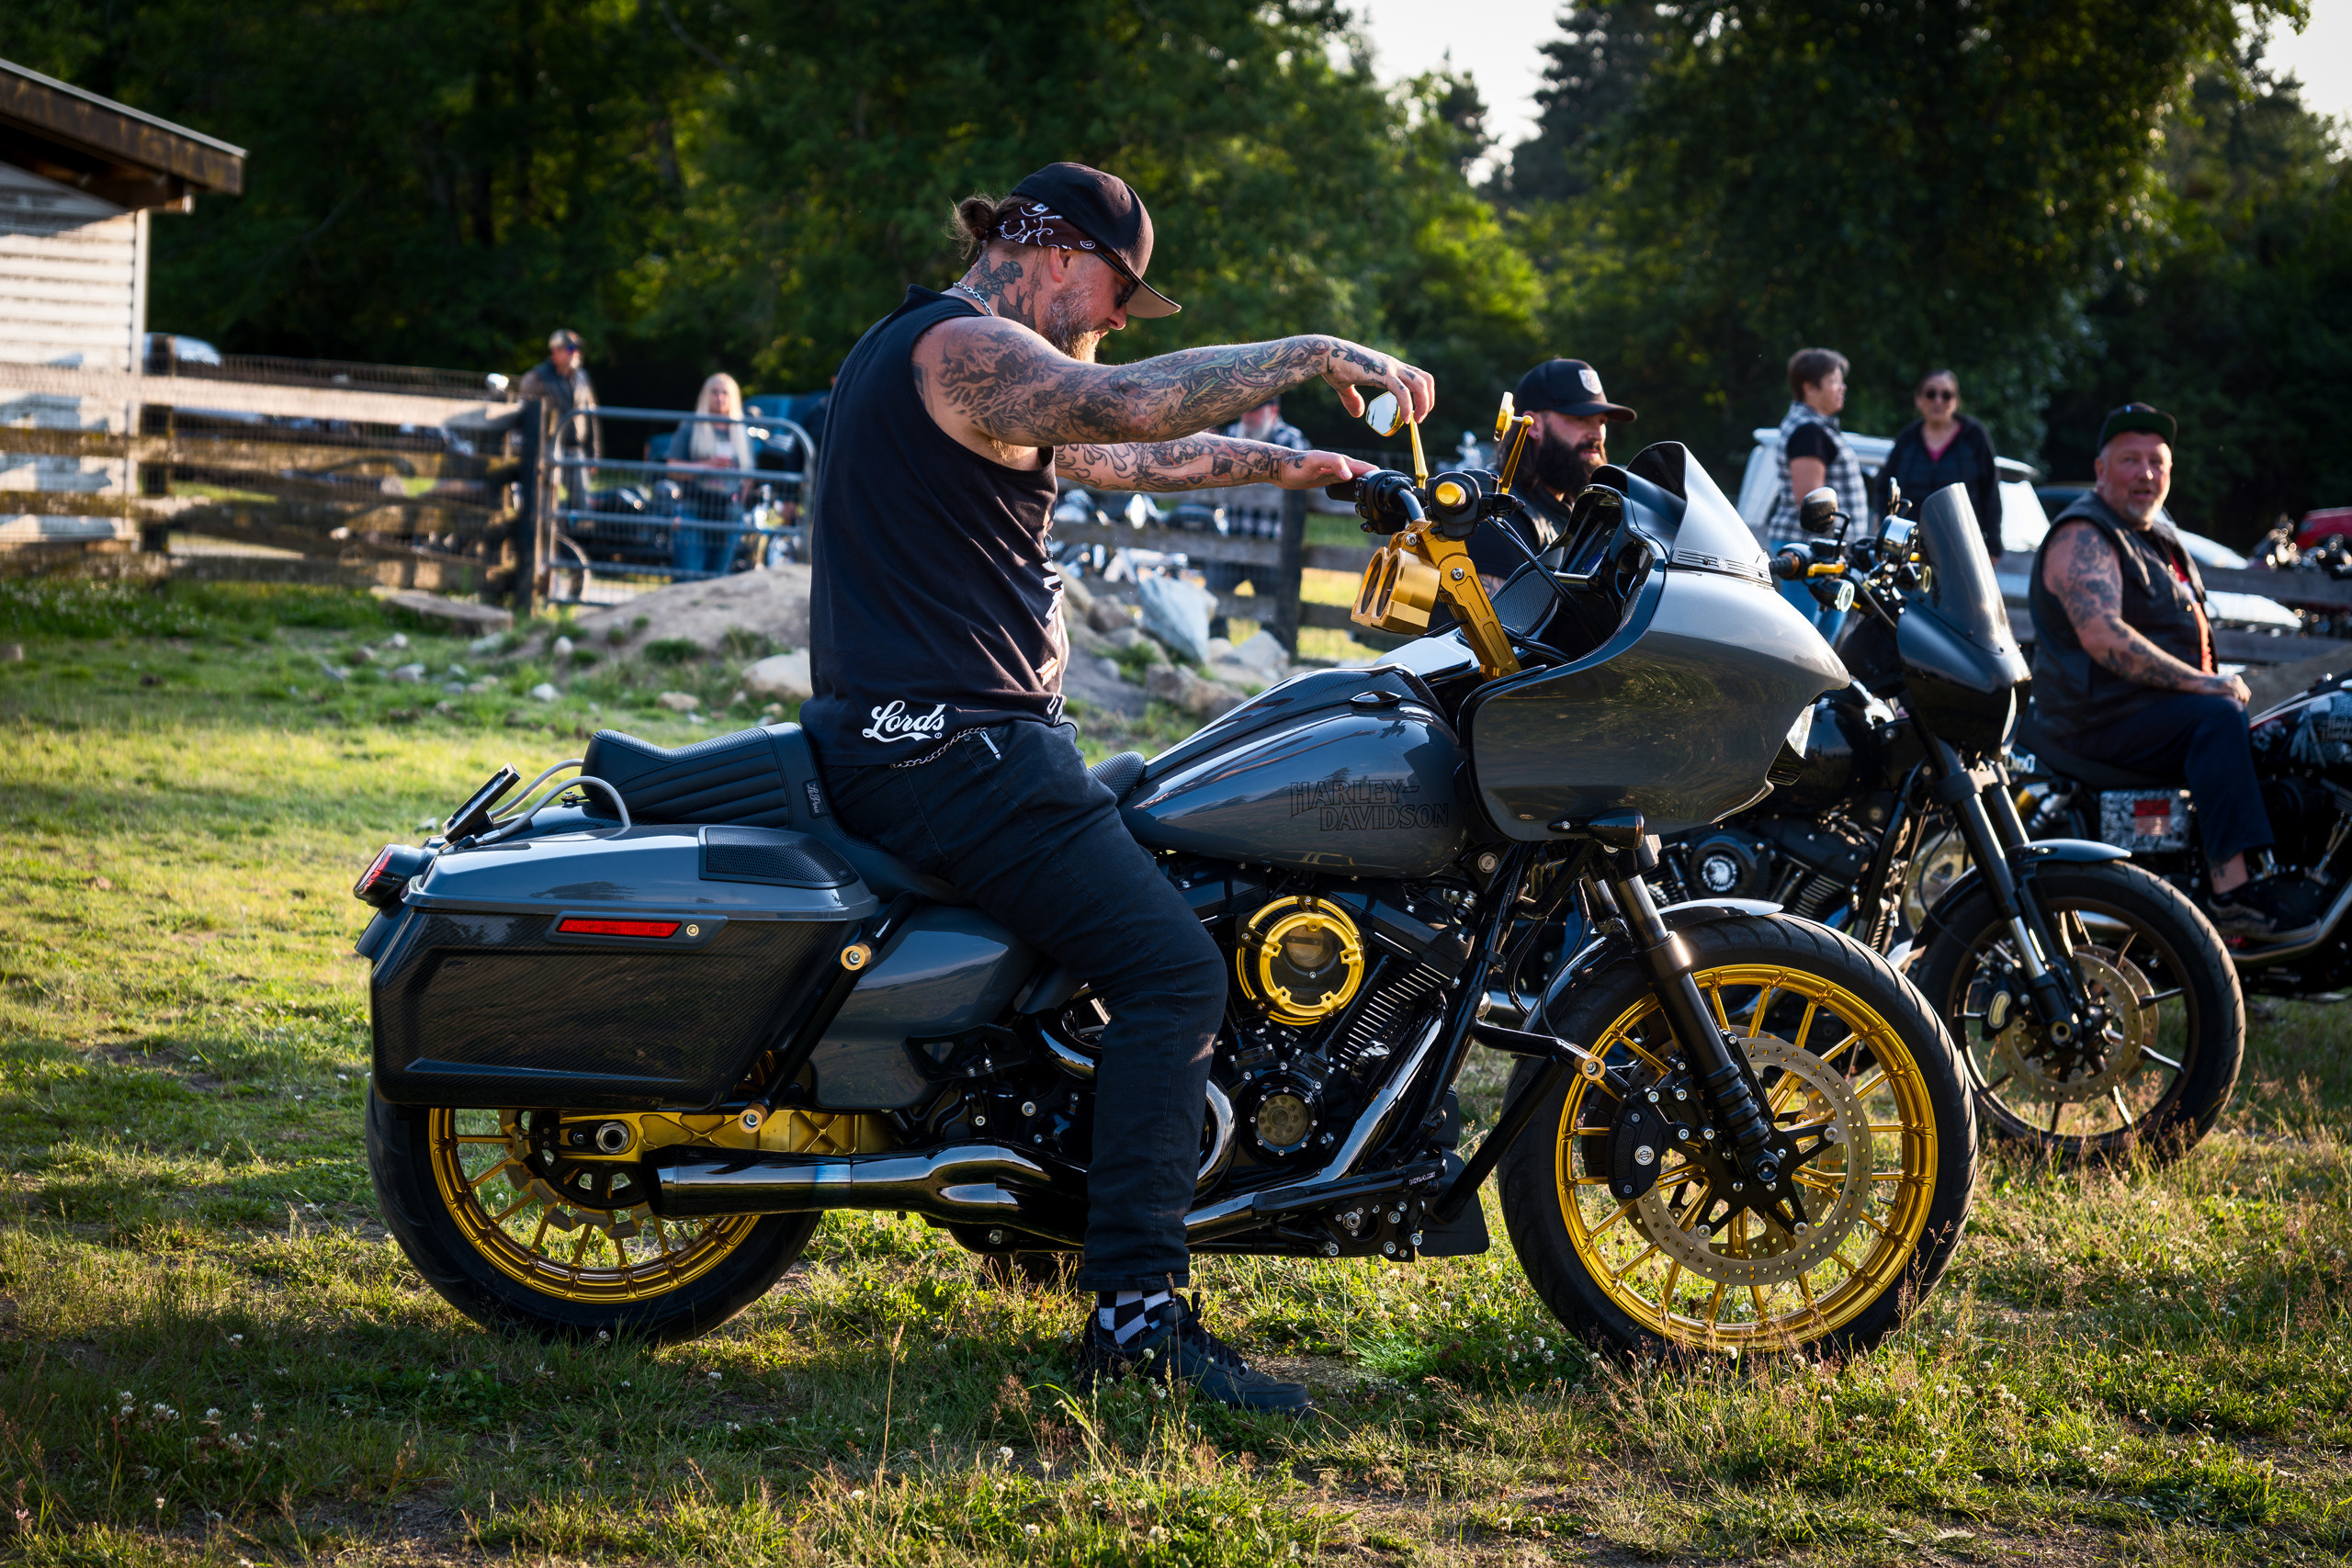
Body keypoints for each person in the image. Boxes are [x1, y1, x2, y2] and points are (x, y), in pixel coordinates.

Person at [802, 161, 1431, 1412]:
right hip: (951, 747)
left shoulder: (964, 369)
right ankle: (1137, 1314)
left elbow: (1134, 455)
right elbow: (1128, 403)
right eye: (1111, 294)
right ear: (1049, 246)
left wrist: (1306, 472)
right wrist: (1312, 348)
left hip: (948, 740)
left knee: (1164, 891)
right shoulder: (961, 348)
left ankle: (1036, 1212)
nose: (1104, 322)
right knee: (1171, 969)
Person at [2030, 402, 2316, 938]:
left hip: (2144, 712)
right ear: (2100, 470)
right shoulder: (2085, 535)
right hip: (2096, 721)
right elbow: (2101, 635)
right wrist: (2206, 686)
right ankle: (2233, 897)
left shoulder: (2155, 536)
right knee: (2214, 718)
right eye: (2130, 461)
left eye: (2157, 462)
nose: (2145, 474)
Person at [1475, 356, 1636, 588]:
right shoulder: (1495, 515)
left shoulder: (1576, 512)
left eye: (1601, 422)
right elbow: (1492, 624)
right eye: (1580, 418)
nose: (1597, 434)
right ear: (1534, 425)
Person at [1759, 347, 1866, 639]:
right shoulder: (1809, 430)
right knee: (1805, 640)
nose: (1842, 387)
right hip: (1812, 549)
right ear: (1809, 387)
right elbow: (1811, 501)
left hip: (1821, 549)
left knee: (1817, 637)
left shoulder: (1814, 426)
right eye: (1834, 380)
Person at [1197, 398, 1311, 626]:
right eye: (1243, 407)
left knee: (1275, 612)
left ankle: (1273, 652)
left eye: (1255, 409)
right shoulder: (1231, 435)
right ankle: (1215, 648)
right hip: (1234, 540)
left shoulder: (1291, 441)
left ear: (1273, 411)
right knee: (1209, 600)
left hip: (1273, 547)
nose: (1247, 414)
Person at [1875, 368, 2000, 558]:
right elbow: (1883, 489)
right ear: (1918, 399)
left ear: (1956, 401)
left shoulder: (1974, 436)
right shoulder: (1907, 439)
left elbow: (1991, 493)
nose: (1938, 401)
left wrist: (1993, 548)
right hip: (1909, 550)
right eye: (1931, 394)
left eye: (1946, 395)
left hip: (1962, 548)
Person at [667, 372, 752, 578]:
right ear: (706, 395)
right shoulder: (690, 427)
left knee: (717, 581)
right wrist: (707, 466)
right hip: (694, 509)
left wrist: (739, 502)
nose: (720, 397)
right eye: (714, 392)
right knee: (689, 578)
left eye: (725, 392)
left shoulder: (740, 431)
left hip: (728, 515)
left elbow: (748, 474)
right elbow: (673, 468)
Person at [517, 329, 598, 511]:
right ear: (555, 350)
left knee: (582, 503)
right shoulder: (537, 378)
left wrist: (594, 454)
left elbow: (591, 416)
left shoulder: (582, 377)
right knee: (546, 502)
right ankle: (549, 537)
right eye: (570, 348)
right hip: (548, 449)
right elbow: (525, 417)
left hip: (576, 449)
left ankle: (576, 537)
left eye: (576, 348)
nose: (575, 353)